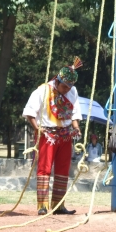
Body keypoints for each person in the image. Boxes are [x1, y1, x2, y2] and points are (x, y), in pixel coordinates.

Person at [23, 57, 83, 215]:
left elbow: (75, 111)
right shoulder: (43, 90)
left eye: (69, 88)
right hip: (47, 134)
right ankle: (42, 205)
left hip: (65, 134)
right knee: (44, 168)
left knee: (63, 169)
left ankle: (59, 205)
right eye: (64, 87)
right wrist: (37, 128)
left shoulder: (73, 91)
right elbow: (30, 112)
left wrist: (76, 127)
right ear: (57, 81)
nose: (67, 90)